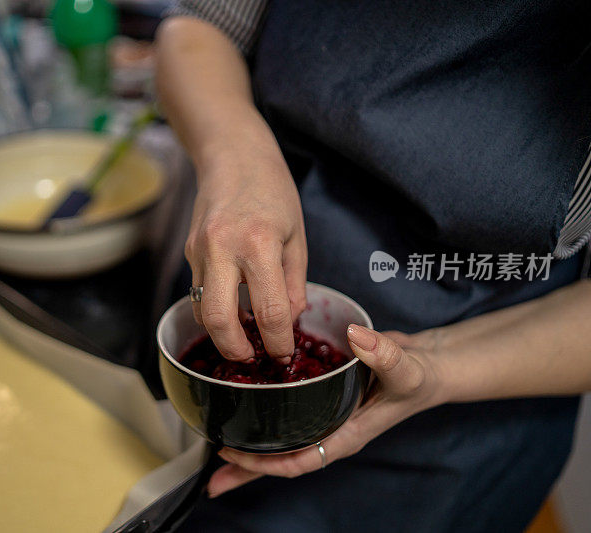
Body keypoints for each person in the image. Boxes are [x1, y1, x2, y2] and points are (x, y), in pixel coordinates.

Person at [155, 1, 591, 531]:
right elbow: (199, 27)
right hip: (224, 307)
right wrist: (237, 156)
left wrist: (437, 363)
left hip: (468, 406)